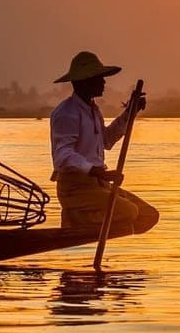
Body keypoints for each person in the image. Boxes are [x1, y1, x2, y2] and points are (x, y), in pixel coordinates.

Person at [49, 50, 158, 232]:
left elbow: (106, 140)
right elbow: (62, 156)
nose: (104, 82)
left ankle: (91, 223)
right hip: (75, 189)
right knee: (129, 212)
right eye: (99, 78)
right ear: (84, 82)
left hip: (97, 186)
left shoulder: (93, 110)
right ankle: (76, 217)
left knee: (148, 215)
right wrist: (96, 171)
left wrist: (130, 113)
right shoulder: (67, 113)